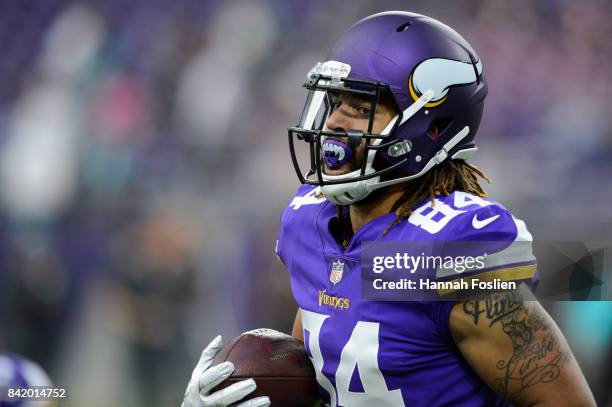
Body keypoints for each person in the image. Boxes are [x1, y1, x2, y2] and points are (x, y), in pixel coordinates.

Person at [181, 11, 595, 407]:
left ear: (430, 128)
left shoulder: (445, 252)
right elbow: (324, 382)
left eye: (361, 109)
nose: (335, 123)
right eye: (336, 102)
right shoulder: (310, 223)